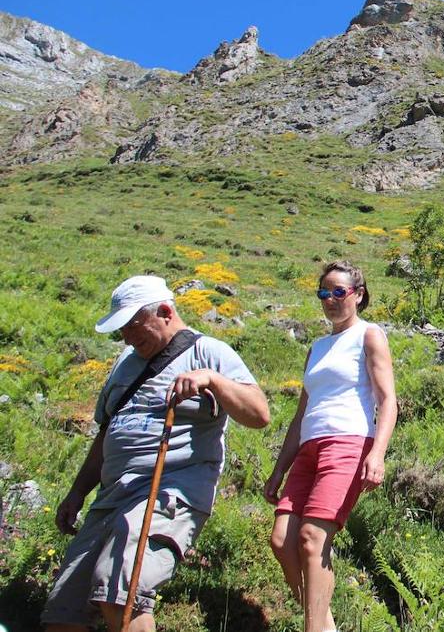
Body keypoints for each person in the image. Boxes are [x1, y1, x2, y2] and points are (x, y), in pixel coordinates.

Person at [43, 276, 270, 632]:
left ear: (165, 312)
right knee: (62, 610)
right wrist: (77, 491)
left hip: (167, 491)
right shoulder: (125, 362)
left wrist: (212, 380)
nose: (128, 339)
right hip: (111, 496)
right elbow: (107, 433)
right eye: (122, 332)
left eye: (133, 327)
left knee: (122, 587)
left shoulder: (208, 352)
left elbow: (259, 414)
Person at [264, 261, 396, 632]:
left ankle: (314, 628)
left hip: (349, 442)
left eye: (339, 292)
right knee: (281, 540)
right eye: (324, 293)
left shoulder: (370, 335)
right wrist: (279, 469)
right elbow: (300, 414)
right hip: (308, 448)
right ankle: (323, 624)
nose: (331, 299)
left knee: (312, 538)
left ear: (358, 294)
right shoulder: (318, 347)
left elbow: (388, 400)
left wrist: (378, 453)